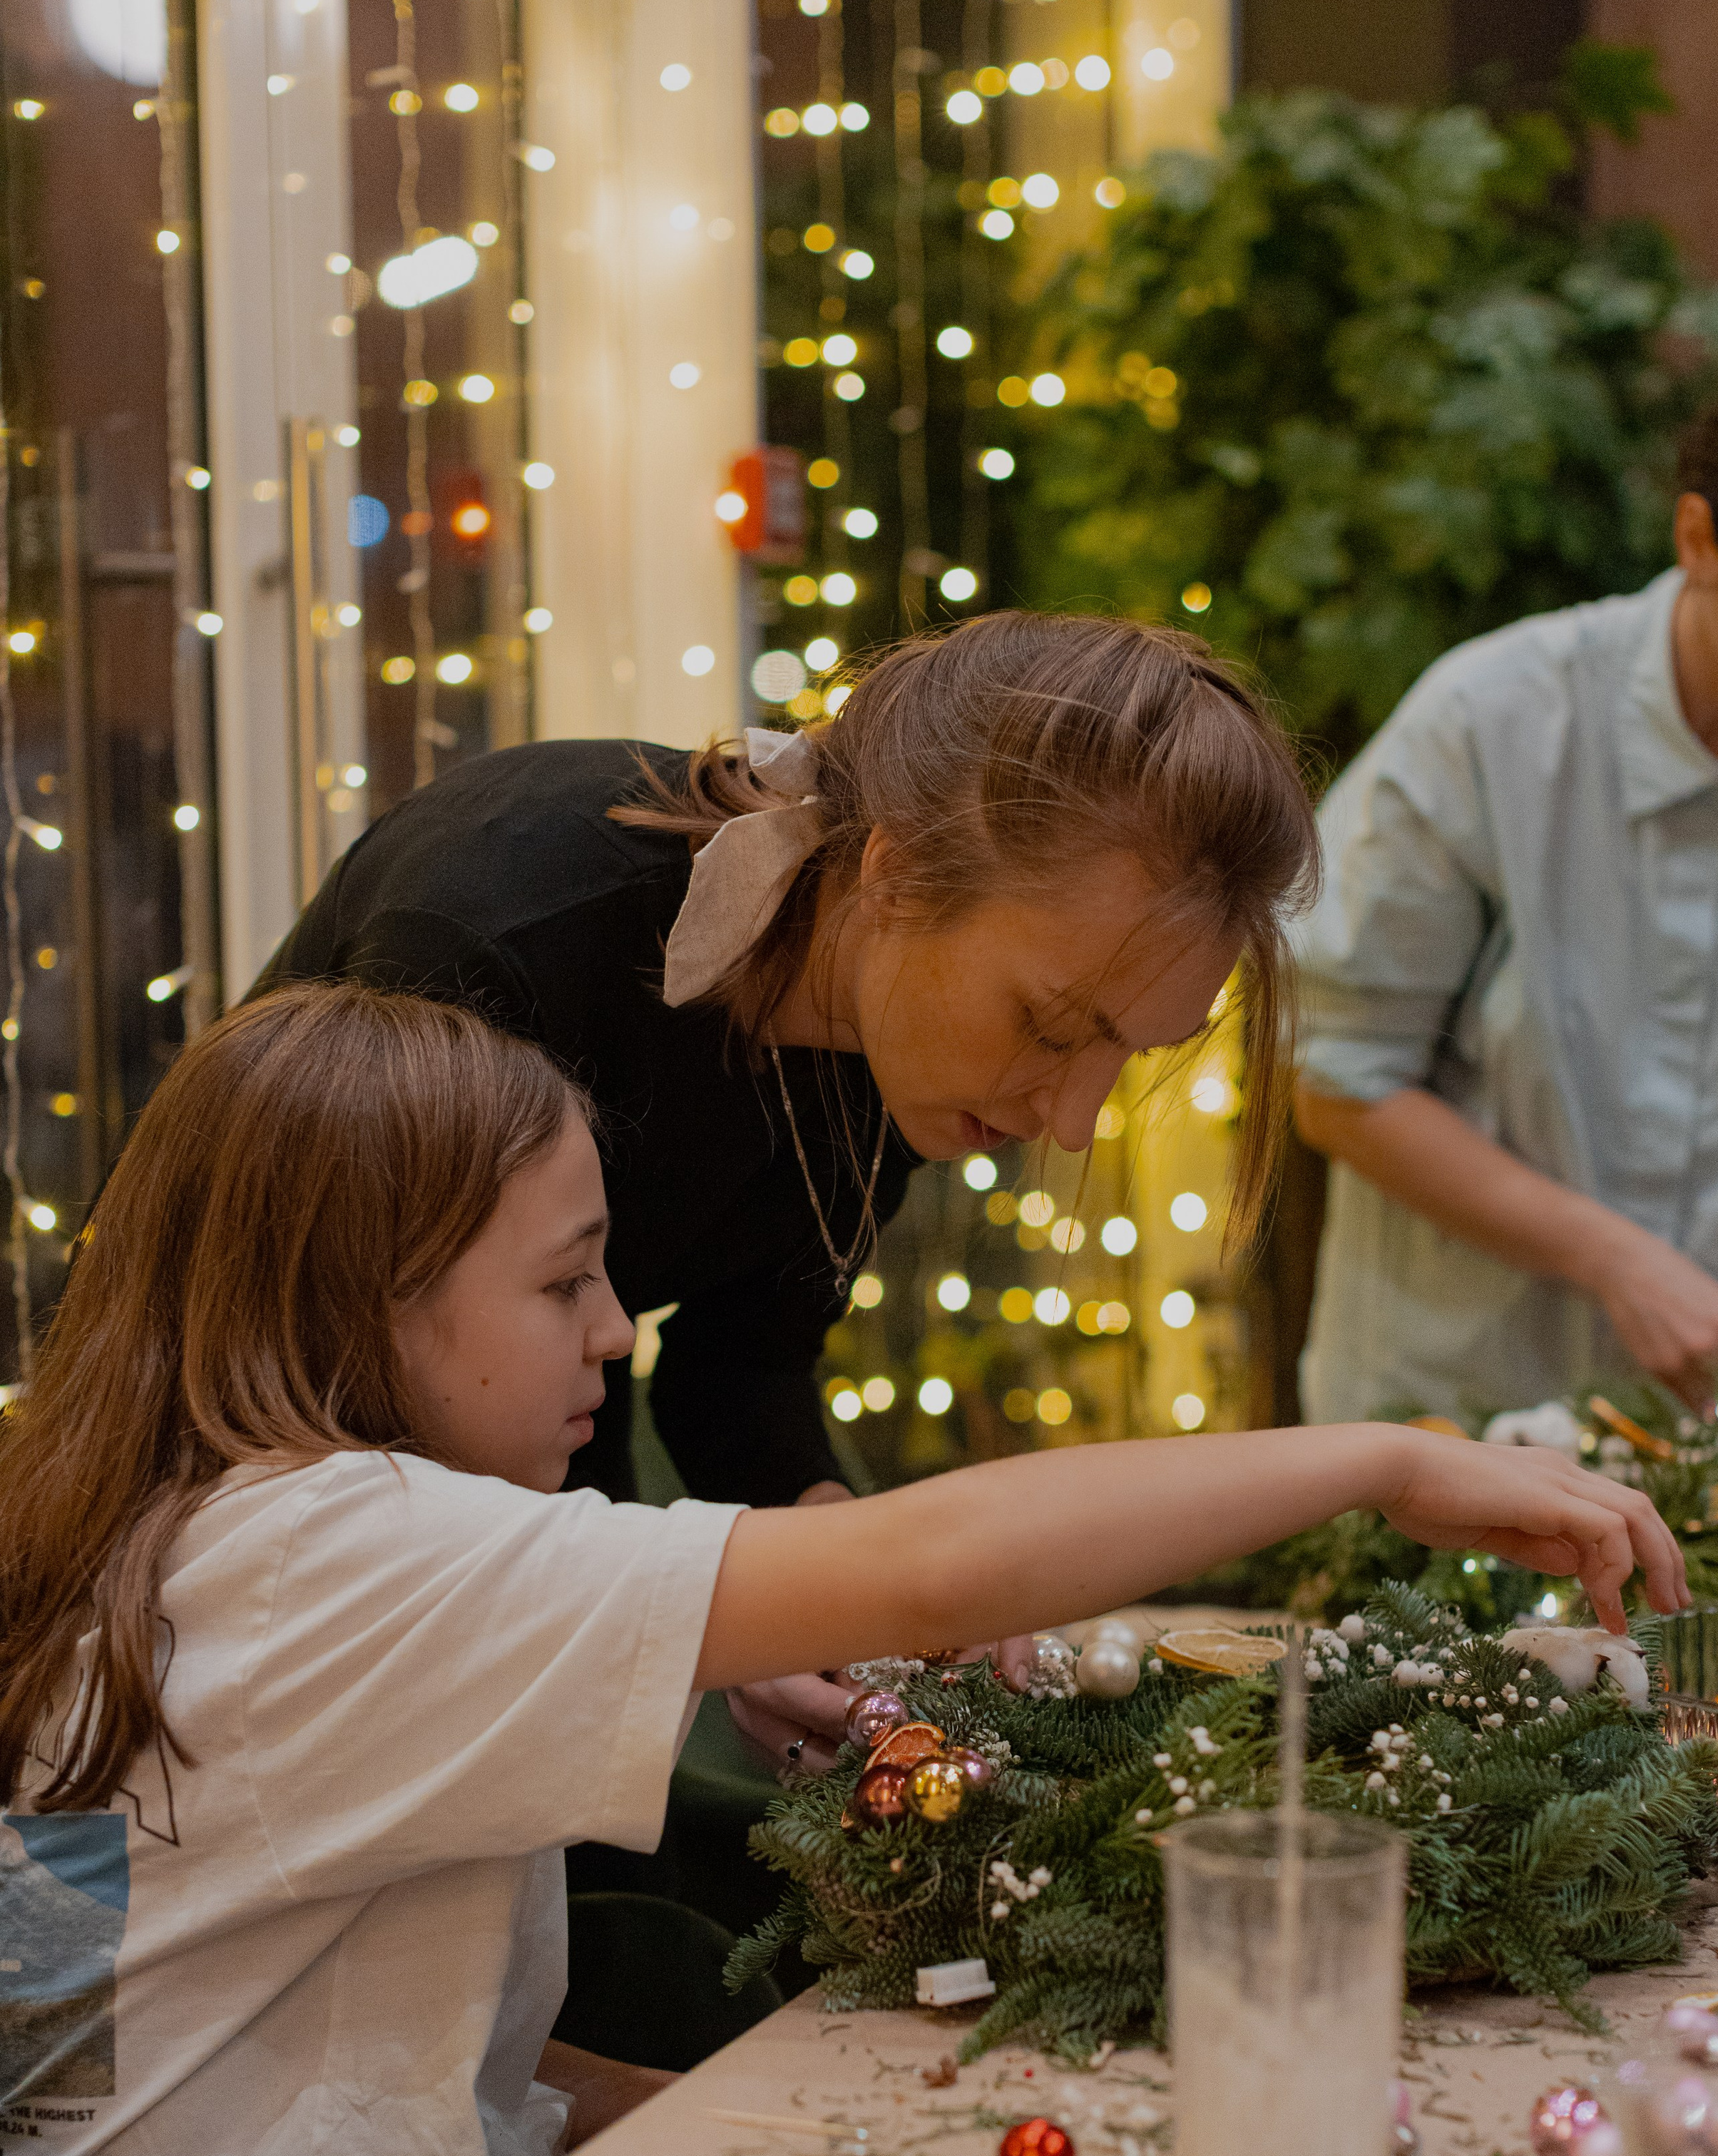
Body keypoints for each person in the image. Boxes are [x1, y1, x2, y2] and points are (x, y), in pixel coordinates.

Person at [0, 986, 1684, 2156]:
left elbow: (364, 2072)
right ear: (365, 1296)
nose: (615, 1334)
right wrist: (1379, 1457)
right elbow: (936, 1564)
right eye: (563, 1278)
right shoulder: (344, 1563)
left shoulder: (186, 1539)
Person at [255, 613, 1320, 1774]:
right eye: (1053, 1028)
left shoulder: (899, 1047)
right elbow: (407, 1415)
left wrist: (823, 1563)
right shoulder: (504, 930)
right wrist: (737, 1606)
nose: (1066, 1121)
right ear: (896, 879)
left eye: (1130, 1056)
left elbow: (739, 1374)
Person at [1294, 332, 1718, 1427]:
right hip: (1450, 1448)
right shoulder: (1489, 723)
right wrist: (1615, 1258)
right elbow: (1338, 1080)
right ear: (1700, 538)